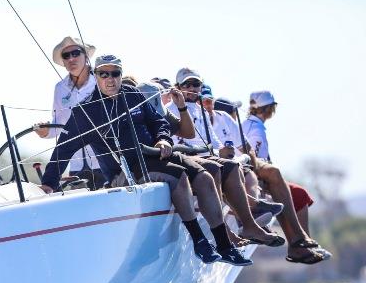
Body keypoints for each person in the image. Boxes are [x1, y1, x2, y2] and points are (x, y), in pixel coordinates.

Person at [39, 54, 251, 266]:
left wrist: (164, 140)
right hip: (124, 170)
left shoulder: (132, 95)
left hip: (155, 155)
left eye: (115, 73)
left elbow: (158, 121)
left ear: (121, 75)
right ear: (96, 76)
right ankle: (200, 242)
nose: (110, 79)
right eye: (104, 74)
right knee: (180, 176)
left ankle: (225, 246)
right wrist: (49, 184)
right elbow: (63, 149)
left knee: (204, 177)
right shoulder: (85, 111)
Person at [164, 69, 283, 247]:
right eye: (186, 84)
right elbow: (175, 143)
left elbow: (216, 144)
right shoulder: (170, 110)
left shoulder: (200, 111)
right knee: (216, 169)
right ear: (178, 87)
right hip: (189, 160)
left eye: (195, 84)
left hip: (206, 158)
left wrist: (225, 151)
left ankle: (249, 225)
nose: (191, 88)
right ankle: (230, 230)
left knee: (233, 167)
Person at [243, 91, 332, 263]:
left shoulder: (248, 124)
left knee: (297, 193)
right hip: (255, 178)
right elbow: (255, 161)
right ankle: (300, 241)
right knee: (298, 194)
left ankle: (299, 243)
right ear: (270, 109)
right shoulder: (256, 129)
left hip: (256, 176)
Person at [34, 36, 104, 189]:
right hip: (76, 167)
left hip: (105, 162)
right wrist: (46, 131)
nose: (71, 58)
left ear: (85, 56)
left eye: (76, 53)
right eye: (66, 56)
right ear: (64, 62)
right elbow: (60, 125)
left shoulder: (102, 81)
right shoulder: (60, 88)